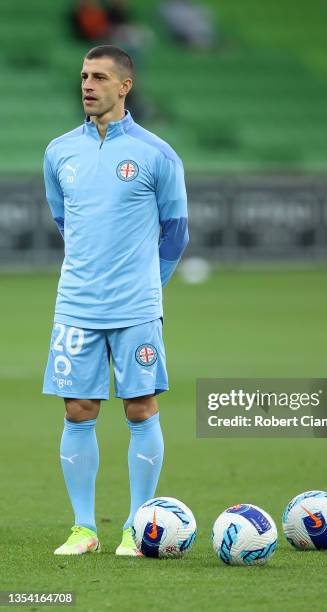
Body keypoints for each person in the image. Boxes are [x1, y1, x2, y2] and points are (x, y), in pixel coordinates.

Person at [42, 45, 189, 556]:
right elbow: (65, 222)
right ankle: (84, 528)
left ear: (125, 86)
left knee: (140, 408)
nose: (87, 84)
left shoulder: (156, 154)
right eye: (84, 75)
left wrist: (148, 286)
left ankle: (136, 526)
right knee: (78, 410)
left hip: (135, 309)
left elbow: (175, 232)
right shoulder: (59, 152)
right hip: (76, 307)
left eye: (100, 77)